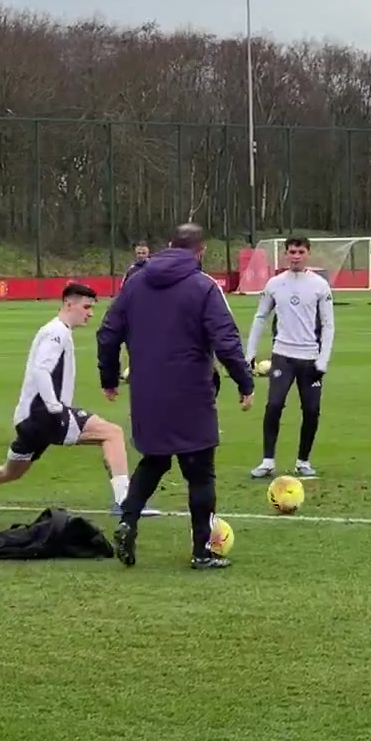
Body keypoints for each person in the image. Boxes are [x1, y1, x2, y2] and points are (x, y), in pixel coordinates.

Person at [97, 224, 254, 570]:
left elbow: (107, 333)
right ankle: (201, 551)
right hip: (191, 392)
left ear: (168, 245)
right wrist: (245, 382)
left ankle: (128, 521)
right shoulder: (203, 286)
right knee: (200, 473)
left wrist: (109, 378)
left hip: (147, 392)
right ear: (201, 251)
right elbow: (226, 339)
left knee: (154, 460)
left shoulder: (135, 283)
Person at [0, 283, 131, 510]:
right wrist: (54, 406)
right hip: (43, 416)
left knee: (10, 472)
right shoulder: (56, 332)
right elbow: (41, 369)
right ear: (69, 304)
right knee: (112, 433)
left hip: (29, 419)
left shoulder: (57, 331)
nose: (90, 313)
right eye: (86, 307)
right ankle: (125, 502)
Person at [245, 234, 335, 481]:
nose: (296, 257)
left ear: (308, 253)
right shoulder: (275, 284)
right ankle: (267, 461)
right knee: (274, 405)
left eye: (300, 252)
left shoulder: (319, 285)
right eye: (292, 252)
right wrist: (250, 353)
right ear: (285, 254)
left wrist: (323, 360)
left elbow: (328, 325)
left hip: (310, 358)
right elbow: (260, 317)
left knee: (312, 410)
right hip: (283, 356)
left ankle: (303, 462)